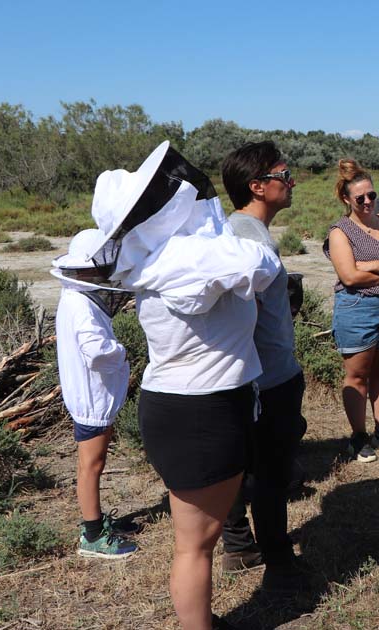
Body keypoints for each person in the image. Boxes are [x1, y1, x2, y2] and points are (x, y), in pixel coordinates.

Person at [100, 141, 281, 630]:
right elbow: (262, 266)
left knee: (191, 542)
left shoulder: (150, 260)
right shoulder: (193, 256)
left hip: (172, 403)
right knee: (196, 546)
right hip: (208, 407)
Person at [216, 141, 311, 589]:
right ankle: (278, 561)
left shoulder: (241, 230)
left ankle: (239, 546)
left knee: (243, 466)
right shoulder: (245, 235)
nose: (290, 181)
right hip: (267, 376)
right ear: (257, 186)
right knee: (271, 472)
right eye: (282, 174)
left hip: (256, 373)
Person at [52, 229, 140, 560]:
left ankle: (95, 520)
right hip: (91, 399)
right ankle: (92, 535)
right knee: (92, 464)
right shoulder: (82, 306)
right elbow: (96, 350)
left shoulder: (73, 298)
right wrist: (121, 352)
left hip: (89, 396)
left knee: (91, 463)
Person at [324, 159, 379, 461]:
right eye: (359, 198)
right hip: (357, 307)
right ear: (347, 199)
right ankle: (358, 435)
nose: (366, 202)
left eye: (371, 196)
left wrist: (372, 265)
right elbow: (349, 277)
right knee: (357, 375)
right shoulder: (340, 231)